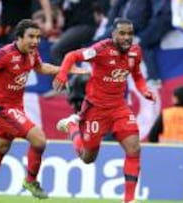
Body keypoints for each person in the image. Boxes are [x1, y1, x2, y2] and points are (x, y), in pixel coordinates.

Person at [0, 19, 85, 203]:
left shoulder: (31, 53)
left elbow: (41, 67)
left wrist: (64, 69)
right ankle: (30, 181)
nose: (35, 41)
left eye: (38, 37)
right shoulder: (3, 55)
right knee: (39, 139)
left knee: (2, 147)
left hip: (15, 108)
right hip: (1, 109)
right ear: (19, 37)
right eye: (31, 37)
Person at [53, 18, 156, 203]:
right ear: (113, 35)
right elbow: (71, 56)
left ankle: (129, 199)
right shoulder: (100, 49)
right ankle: (72, 127)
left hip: (119, 108)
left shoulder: (135, 52)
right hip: (96, 109)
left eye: (130, 34)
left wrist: (144, 90)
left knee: (134, 148)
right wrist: (62, 74)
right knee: (87, 158)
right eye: (122, 34)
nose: (127, 38)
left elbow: (138, 76)